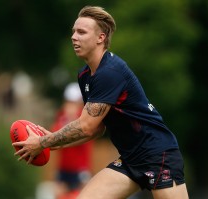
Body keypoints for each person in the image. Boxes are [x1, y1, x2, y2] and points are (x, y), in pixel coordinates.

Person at [13, 6, 189, 199]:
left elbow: (86, 126)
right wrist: (56, 143)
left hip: (158, 155)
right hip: (130, 160)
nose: (74, 37)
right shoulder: (85, 76)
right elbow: (97, 129)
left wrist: (42, 142)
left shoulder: (110, 72)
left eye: (81, 32)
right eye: (73, 31)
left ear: (101, 38)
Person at [51, 82, 93, 199]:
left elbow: (82, 136)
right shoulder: (61, 116)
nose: (71, 105)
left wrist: (71, 120)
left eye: (74, 102)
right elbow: (53, 136)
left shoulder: (84, 116)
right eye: (69, 101)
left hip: (80, 168)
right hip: (63, 168)